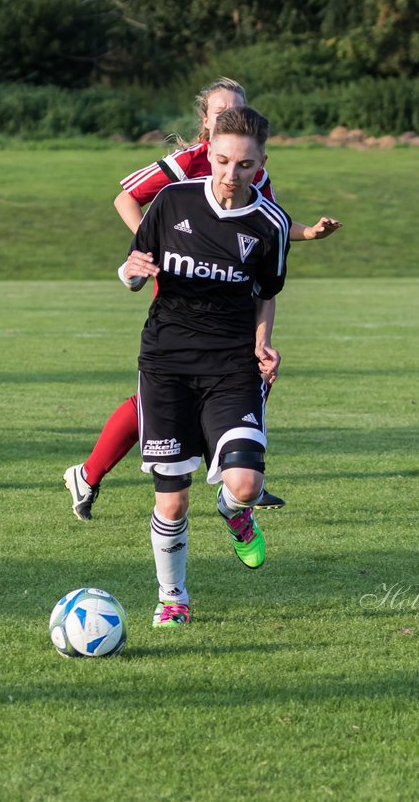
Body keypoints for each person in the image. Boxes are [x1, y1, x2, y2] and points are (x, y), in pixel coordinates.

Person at [63, 78, 339, 520]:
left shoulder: (250, 167)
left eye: (238, 110)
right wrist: (147, 254)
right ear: (205, 123)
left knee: (246, 375)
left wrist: (308, 232)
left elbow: (267, 225)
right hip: (180, 292)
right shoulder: (185, 166)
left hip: (230, 295)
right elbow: (126, 198)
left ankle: (239, 474)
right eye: (220, 112)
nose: (230, 120)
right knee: (156, 400)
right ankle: (93, 473)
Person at [119, 105, 290, 628]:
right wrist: (129, 273)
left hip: (231, 368)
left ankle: (235, 512)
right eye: (220, 161)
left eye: (244, 165)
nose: (230, 175)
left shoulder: (270, 225)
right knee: (172, 503)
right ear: (208, 151)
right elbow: (132, 270)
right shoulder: (172, 202)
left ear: (260, 163)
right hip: (166, 364)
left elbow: (265, 294)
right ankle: (173, 597)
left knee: (245, 485)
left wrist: (264, 343)